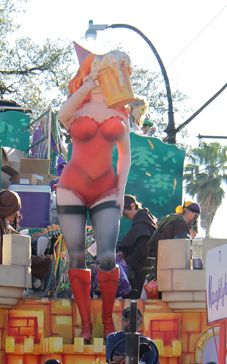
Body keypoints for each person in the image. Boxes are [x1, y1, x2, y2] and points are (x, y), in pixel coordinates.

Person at [56, 50, 132, 342]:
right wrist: (85, 88)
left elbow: (125, 154)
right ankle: (85, 325)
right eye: (96, 72)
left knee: (108, 257)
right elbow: (62, 116)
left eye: (106, 73)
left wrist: (122, 189)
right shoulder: (77, 107)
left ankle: (107, 320)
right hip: (71, 186)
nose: (100, 78)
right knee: (76, 255)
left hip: (106, 188)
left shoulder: (119, 112)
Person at [146, 201, 200, 280]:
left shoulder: (167, 220)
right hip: (172, 277)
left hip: (158, 273)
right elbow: (183, 253)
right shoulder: (181, 224)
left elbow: (151, 244)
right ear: (193, 215)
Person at [117, 195, 157, 298]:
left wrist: (127, 261)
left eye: (125, 213)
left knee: (133, 304)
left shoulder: (142, 225)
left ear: (132, 206)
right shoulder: (145, 222)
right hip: (144, 272)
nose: (126, 217)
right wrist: (124, 254)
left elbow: (143, 251)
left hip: (140, 276)